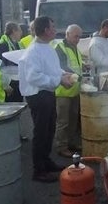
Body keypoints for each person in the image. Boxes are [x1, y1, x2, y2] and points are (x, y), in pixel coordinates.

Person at [18, 16, 75, 183]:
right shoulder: (33, 51)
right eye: (52, 27)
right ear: (44, 30)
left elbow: (52, 68)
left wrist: (63, 74)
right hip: (37, 95)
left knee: (50, 130)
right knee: (41, 132)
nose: (55, 29)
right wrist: (58, 80)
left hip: (47, 93)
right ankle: (38, 170)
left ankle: (46, 161)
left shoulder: (47, 46)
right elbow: (33, 77)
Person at [54, 24, 82, 158]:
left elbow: (76, 65)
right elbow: (63, 68)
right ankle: (61, 146)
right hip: (63, 92)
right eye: (76, 36)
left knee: (73, 120)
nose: (78, 39)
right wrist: (80, 76)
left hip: (74, 90)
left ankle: (70, 143)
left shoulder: (74, 47)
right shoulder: (60, 48)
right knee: (63, 121)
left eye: (79, 37)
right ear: (68, 34)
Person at [0, 22, 24, 102]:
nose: (21, 33)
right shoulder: (3, 45)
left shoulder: (18, 44)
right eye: (20, 31)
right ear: (14, 31)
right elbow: (0, 66)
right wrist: (5, 85)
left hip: (17, 80)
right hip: (9, 82)